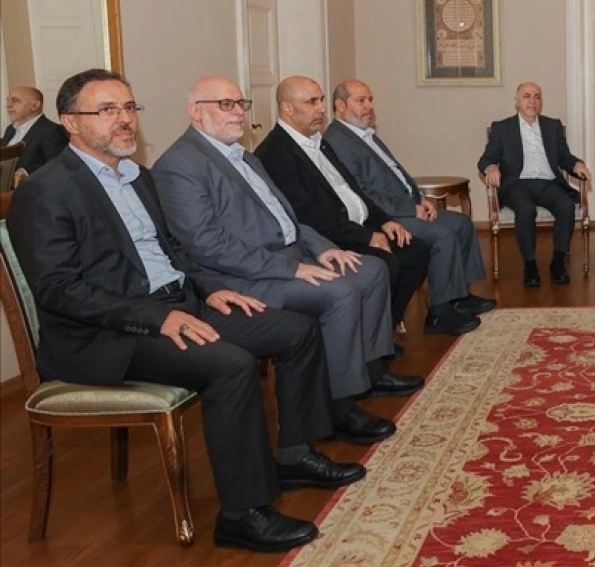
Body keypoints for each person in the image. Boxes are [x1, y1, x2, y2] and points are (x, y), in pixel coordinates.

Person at [9, 69, 364, 553]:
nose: (124, 120)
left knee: (295, 331)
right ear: (71, 122)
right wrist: (157, 318)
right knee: (230, 365)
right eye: (107, 110)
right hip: (108, 334)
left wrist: (211, 289)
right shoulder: (47, 190)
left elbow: (176, 250)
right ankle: (242, 514)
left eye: (129, 108)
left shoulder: (139, 177)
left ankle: (294, 455)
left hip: (180, 305)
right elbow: (58, 290)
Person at [152, 76, 418, 448]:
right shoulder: (179, 165)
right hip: (243, 278)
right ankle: (340, 406)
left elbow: (288, 217)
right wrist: (291, 268)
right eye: (225, 104)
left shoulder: (242, 156)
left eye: (241, 104)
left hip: (287, 256)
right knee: (339, 292)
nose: (238, 113)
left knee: (370, 269)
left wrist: (321, 248)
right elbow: (207, 245)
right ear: (196, 112)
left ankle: (368, 371)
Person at [255, 76, 480, 335]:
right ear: (287, 108)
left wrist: (384, 221)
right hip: (329, 237)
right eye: (312, 102)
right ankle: (375, 339)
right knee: (392, 260)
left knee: (415, 251)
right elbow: (306, 216)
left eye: (321, 101)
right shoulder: (276, 154)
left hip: (359, 223)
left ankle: (384, 329)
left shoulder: (318, 142)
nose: (321, 109)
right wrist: (368, 236)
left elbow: (354, 191)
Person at [325, 78, 494, 322]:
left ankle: (459, 296)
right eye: (361, 101)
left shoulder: (364, 134)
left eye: (370, 100)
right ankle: (440, 312)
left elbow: (397, 174)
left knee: (462, 224)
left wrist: (421, 198)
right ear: (340, 106)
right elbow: (362, 194)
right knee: (442, 234)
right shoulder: (338, 141)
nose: (369, 106)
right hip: (385, 216)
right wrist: (410, 209)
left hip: (405, 206)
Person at [478, 81, 592, 288]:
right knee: (526, 209)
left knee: (566, 206)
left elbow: (564, 157)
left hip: (548, 183)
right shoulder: (502, 128)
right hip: (517, 184)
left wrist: (577, 164)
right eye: (527, 96)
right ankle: (530, 265)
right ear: (517, 101)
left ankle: (558, 262)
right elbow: (485, 160)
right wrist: (492, 168)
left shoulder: (552, 126)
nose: (532, 101)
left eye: (537, 97)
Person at [3, 85, 68, 187]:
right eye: (8, 101)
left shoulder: (52, 131)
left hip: (29, 192)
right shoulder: (10, 130)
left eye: (15, 101)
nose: (8, 105)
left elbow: (59, 168)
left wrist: (27, 174)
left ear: (35, 105)